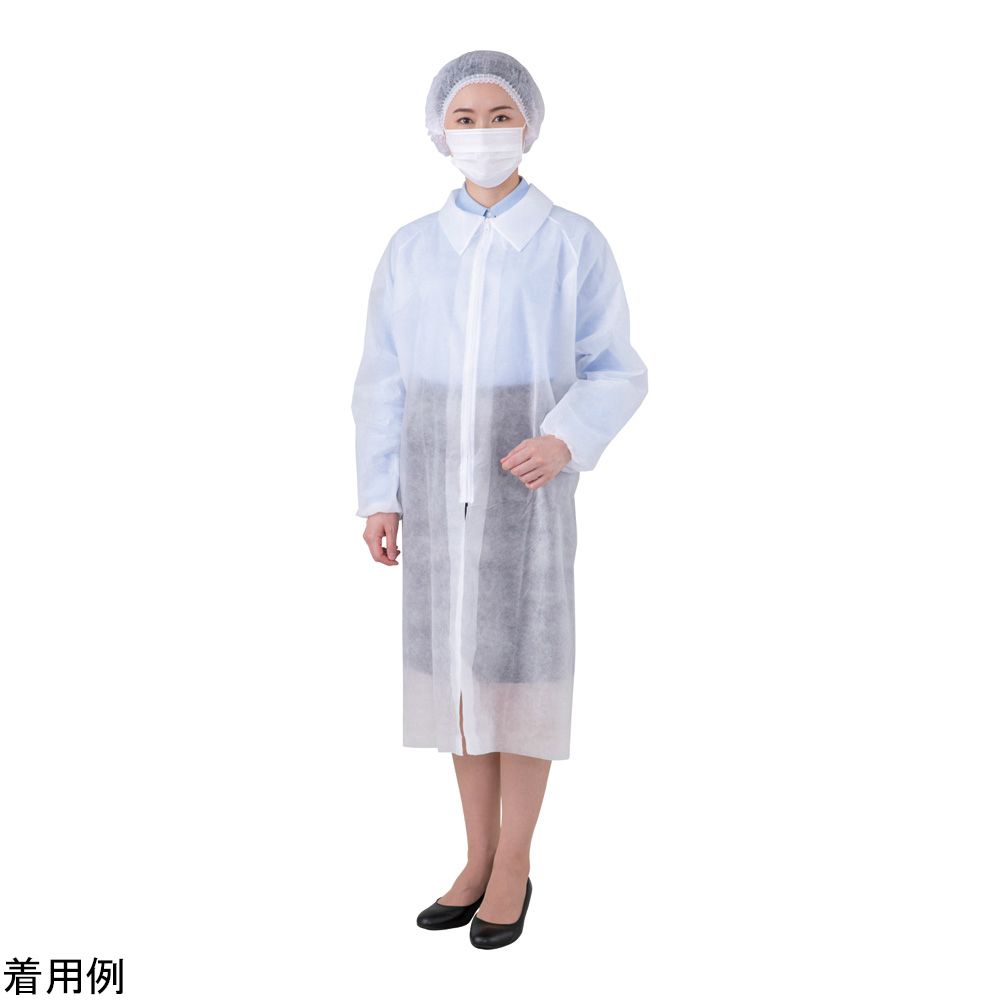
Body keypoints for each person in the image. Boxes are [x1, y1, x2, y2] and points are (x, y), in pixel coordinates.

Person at [351, 50, 648, 949]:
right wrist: (380, 494)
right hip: (434, 490)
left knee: (522, 680)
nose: (483, 133)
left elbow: (616, 368)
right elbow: (383, 378)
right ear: (439, 131)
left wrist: (565, 438)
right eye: (465, 119)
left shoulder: (570, 242)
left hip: (525, 494)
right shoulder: (412, 248)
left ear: (530, 124)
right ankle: (474, 857)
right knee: (457, 681)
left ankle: (514, 862)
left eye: (499, 116)